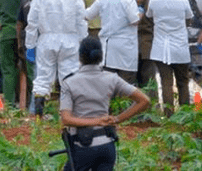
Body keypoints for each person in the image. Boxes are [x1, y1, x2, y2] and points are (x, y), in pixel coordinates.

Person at [59, 36, 149, 171]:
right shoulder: (111, 78)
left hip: (82, 146)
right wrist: (117, 119)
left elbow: (66, 119)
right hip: (107, 145)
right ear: (101, 56)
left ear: (80, 57)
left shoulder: (69, 83)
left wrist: (96, 121)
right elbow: (144, 100)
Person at [26, 0, 88, 116]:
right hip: (70, 41)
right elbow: (81, 20)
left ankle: (39, 117)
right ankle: (69, 115)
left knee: (43, 77)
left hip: (46, 40)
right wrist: (82, 40)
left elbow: (32, 21)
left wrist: (30, 44)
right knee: (70, 77)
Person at [147, 0, 194, 116]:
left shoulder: (154, 0)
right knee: (183, 81)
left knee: (166, 82)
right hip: (180, 48)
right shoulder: (183, 0)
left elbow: (149, 16)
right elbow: (189, 19)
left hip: (161, 48)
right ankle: (185, 115)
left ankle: (168, 115)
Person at [85, 0, 140, 84]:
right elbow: (134, 20)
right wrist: (141, 14)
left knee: (107, 85)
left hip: (108, 47)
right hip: (126, 47)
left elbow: (87, 15)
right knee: (125, 85)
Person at [0, 0, 31, 106]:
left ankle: (10, 105)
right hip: (24, 35)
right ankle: (31, 103)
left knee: (8, 69)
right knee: (29, 68)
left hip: (6, 35)